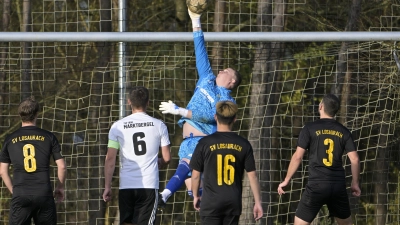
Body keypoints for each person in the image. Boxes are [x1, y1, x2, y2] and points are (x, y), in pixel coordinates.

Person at [157, 8, 242, 206]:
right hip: (188, 141)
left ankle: (164, 195)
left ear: (232, 81)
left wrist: (180, 111)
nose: (222, 69)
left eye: (227, 71)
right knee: (194, 191)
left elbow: (211, 116)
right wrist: (196, 20)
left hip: (203, 142)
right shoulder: (207, 79)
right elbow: (200, 51)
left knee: (185, 167)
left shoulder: (228, 100)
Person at [277, 93, 361, 225]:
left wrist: (286, 180)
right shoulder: (344, 131)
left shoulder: (309, 128)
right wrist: (355, 183)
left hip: (316, 185)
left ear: (321, 106)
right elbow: (355, 159)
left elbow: (298, 157)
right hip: (337, 186)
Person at [102, 86, 171, 225]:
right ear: (148, 102)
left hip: (126, 185)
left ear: (129, 102)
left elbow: (110, 159)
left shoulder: (117, 126)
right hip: (148, 186)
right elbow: (167, 157)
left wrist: (107, 186)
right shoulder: (159, 125)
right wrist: (160, 162)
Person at [190, 101, 263, 225]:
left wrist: (195, 195)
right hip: (232, 203)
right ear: (235, 119)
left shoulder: (204, 143)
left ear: (215, 117)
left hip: (210, 203)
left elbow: (196, 175)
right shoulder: (244, 144)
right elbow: (252, 176)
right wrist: (258, 202)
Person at [0, 96, 66, 225]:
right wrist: (60, 187)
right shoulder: (49, 137)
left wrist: (15, 191)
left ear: (20, 115)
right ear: (37, 114)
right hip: (44, 194)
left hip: (21, 194)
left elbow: (3, 171)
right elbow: (62, 166)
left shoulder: (9, 139)